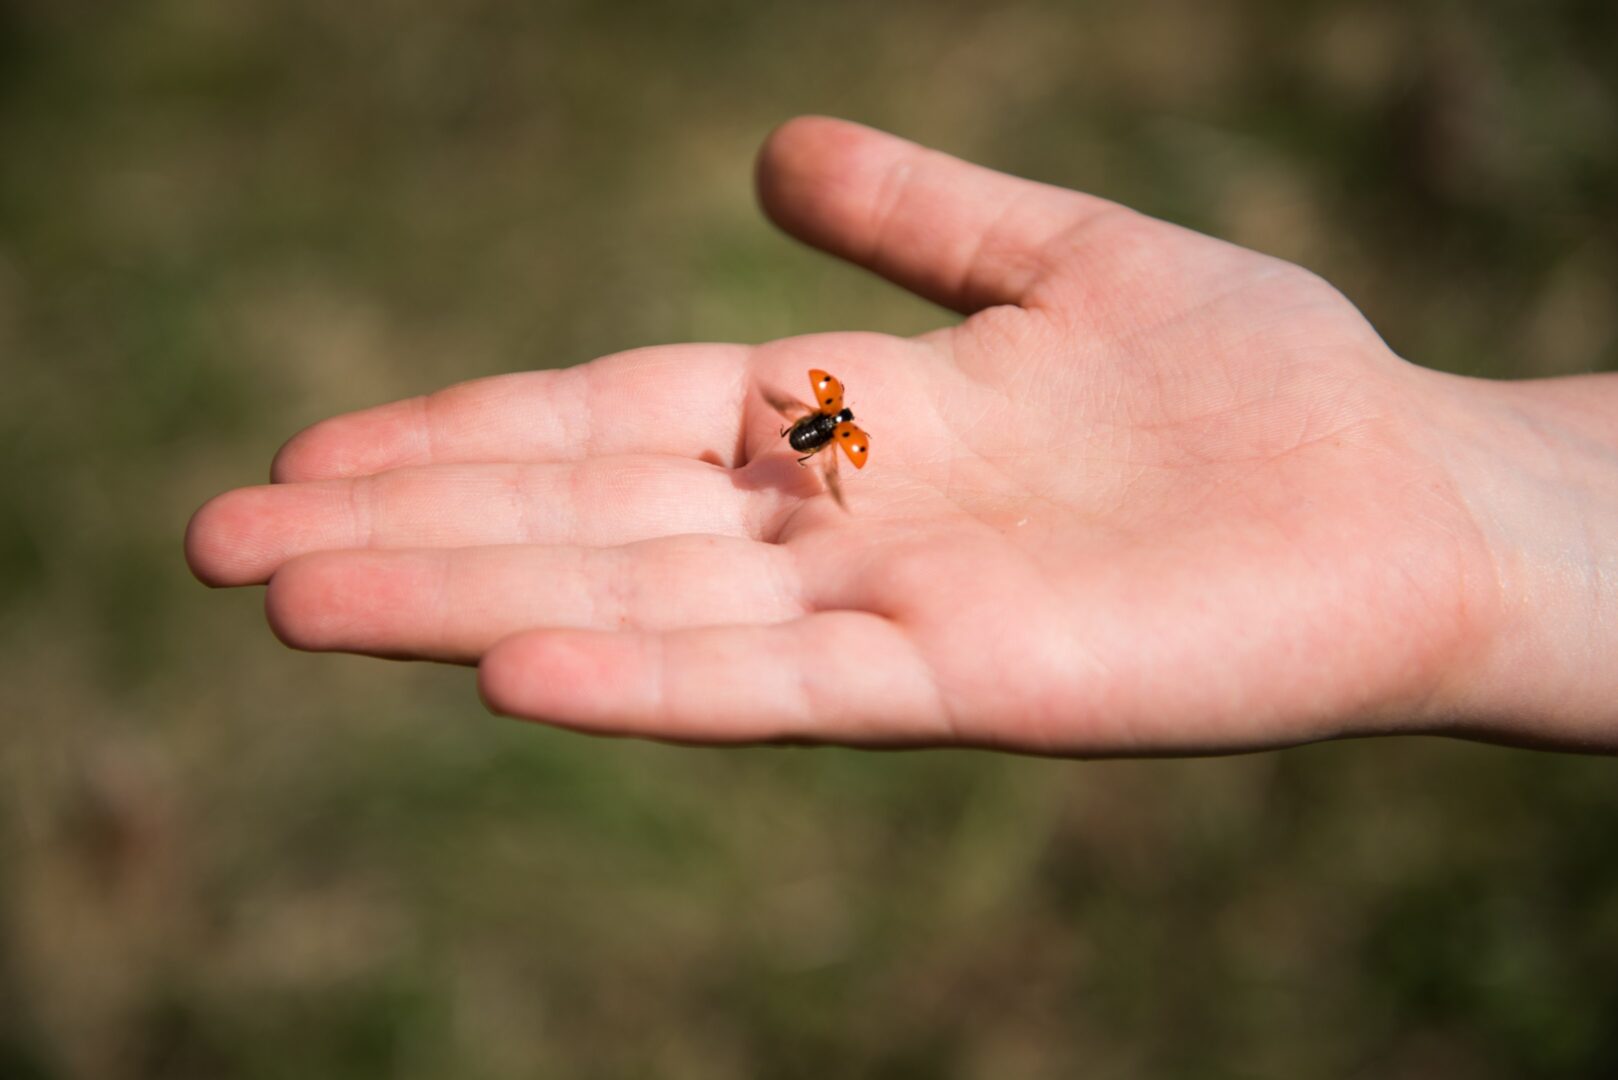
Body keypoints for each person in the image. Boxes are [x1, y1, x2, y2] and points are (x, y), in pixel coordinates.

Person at [185, 117, 1618, 755]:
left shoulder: (836, 428)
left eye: (825, 432)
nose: (823, 431)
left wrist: (1455, 500)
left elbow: (828, 434)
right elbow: (810, 430)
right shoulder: (820, 425)